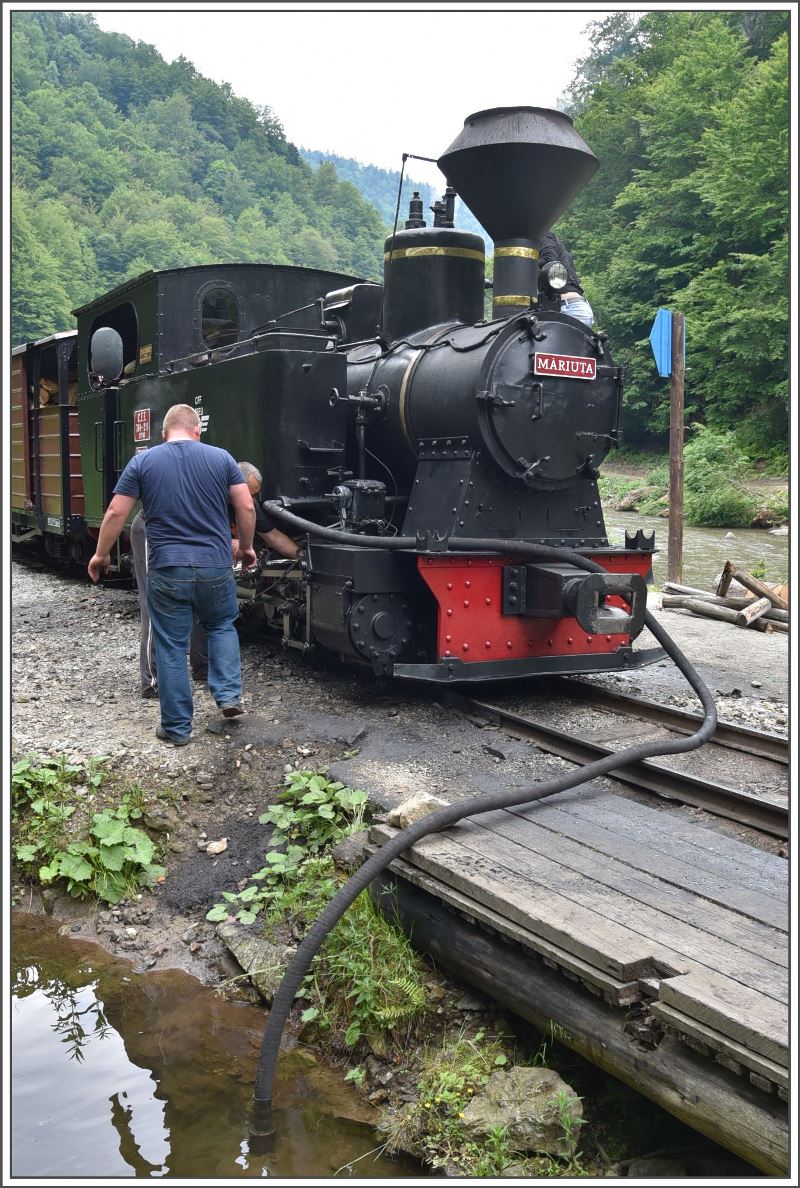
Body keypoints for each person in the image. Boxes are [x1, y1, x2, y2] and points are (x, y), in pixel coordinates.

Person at [88, 404, 256, 746]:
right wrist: (247, 547)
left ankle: (178, 729)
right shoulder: (222, 458)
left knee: (170, 644)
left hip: (168, 567)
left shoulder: (144, 461)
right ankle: (228, 696)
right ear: (197, 431)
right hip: (214, 566)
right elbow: (246, 505)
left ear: (164, 434)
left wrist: (101, 554)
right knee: (221, 625)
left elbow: (116, 511)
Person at [129, 509, 208, 699]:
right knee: (153, 602)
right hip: (155, 527)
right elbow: (117, 509)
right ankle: (151, 681)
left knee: (200, 592)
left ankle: (202, 665)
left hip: (189, 528)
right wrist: (101, 551)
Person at [236, 462, 299, 559]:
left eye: (255, 495)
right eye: (248, 495)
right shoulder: (212, 501)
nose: (251, 500)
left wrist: (302, 557)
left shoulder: (251, 502)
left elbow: (273, 537)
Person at [536, 231, 594, 327]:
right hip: (573, 307)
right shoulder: (559, 250)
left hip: (567, 307)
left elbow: (549, 259)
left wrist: (521, 264)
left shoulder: (543, 235)